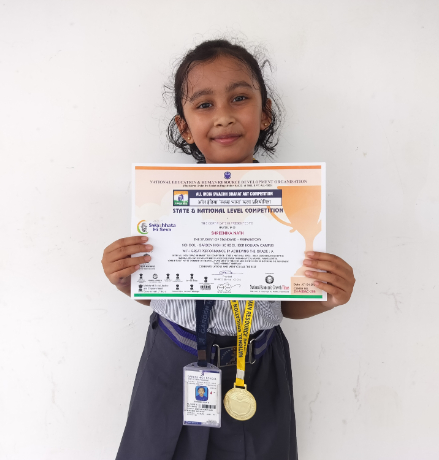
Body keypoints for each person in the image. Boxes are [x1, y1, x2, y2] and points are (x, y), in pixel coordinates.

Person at [101, 39, 356, 460]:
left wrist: (327, 297)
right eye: (204, 105)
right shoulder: (162, 202)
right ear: (184, 126)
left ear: (265, 112)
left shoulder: (293, 203)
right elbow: (156, 293)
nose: (223, 116)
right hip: (173, 360)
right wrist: (124, 280)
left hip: (257, 367)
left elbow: (286, 304)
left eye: (239, 98)